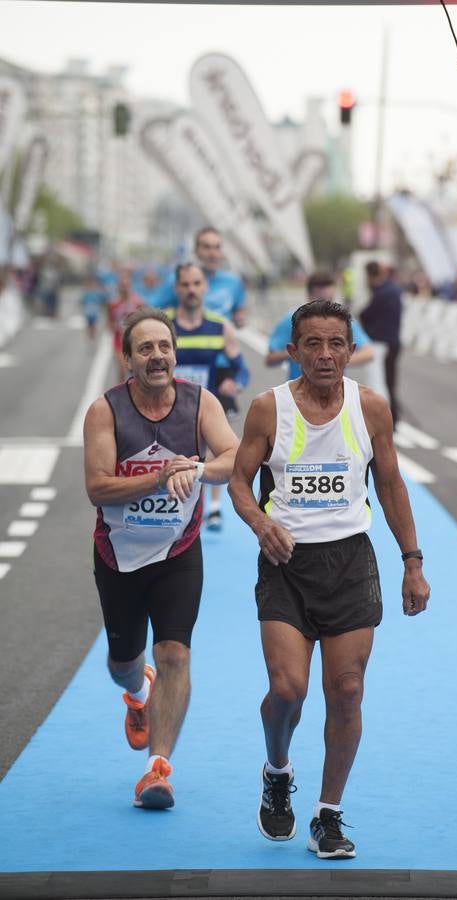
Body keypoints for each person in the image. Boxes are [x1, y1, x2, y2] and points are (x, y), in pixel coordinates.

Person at [228, 299, 430, 859]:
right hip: (286, 566)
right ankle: (277, 770)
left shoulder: (371, 409)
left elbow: (390, 485)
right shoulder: (268, 410)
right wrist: (259, 521)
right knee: (288, 690)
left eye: (335, 344)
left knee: (347, 691)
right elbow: (239, 482)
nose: (324, 355)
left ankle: (328, 814)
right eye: (311, 344)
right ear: (292, 351)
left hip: (351, 563)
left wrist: (412, 562)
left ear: (351, 350)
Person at [83, 307, 239, 810]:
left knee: (175, 653)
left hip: (177, 553)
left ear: (175, 355)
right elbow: (98, 488)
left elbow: (235, 458)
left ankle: (158, 769)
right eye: (145, 348)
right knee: (124, 662)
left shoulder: (199, 405)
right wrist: (156, 477)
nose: (157, 356)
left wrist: (197, 468)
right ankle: (135, 692)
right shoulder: (105, 411)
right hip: (119, 557)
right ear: (127, 358)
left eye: (164, 347)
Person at [169, 262, 250, 531]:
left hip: (206, 406)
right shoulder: (163, 324)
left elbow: (242, 370)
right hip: (169, 408)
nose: (191, 289)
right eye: (185, 284)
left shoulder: (220, 327)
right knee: (179, 461)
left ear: (205, 288)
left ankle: (214, 508)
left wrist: (233, 384)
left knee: (220, 450)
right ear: (176, 288)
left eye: (196, 284)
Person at [194, 226, 248, 529]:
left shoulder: (232, 282)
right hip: (189, 362)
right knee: (189, 440)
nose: (212, 252)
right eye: (206, 246)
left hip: (222, 367)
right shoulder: (183, 280)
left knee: (218, 441)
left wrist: (238, 320)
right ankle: (192, 502)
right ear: (197, 250)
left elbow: (240, 311)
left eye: (216, 246)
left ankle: (214, 506)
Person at [265, 270, 374, 379]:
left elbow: (368, 353)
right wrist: (298, 352)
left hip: (335, 392)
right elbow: (270, 359)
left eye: (330, 299)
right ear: (309, 296)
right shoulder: (292, 319)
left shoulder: (341, 319)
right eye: (321, 300)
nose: (326, 305)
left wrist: (336, 361)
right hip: (299, 393)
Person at [359, 261, 403, 427]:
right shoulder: (393, 290)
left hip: (380, 341)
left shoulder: (382, 292)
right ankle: (393, 417)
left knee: (378, 381)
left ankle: (385, 418)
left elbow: (366, 314)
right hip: (393, 340)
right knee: (389, 381)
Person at [107, 268, 144, 381]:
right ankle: (121, 394)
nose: (124, 288)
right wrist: (116, 327)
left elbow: (143, 320)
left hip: (134, 340)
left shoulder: (138, 302)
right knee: (122, 369)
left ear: (130, 286)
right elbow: (109, 322)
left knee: (135, 370)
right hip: (119, 340)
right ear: (118, 286)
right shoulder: (113, 304)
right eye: (122, 285)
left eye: (126, 285)